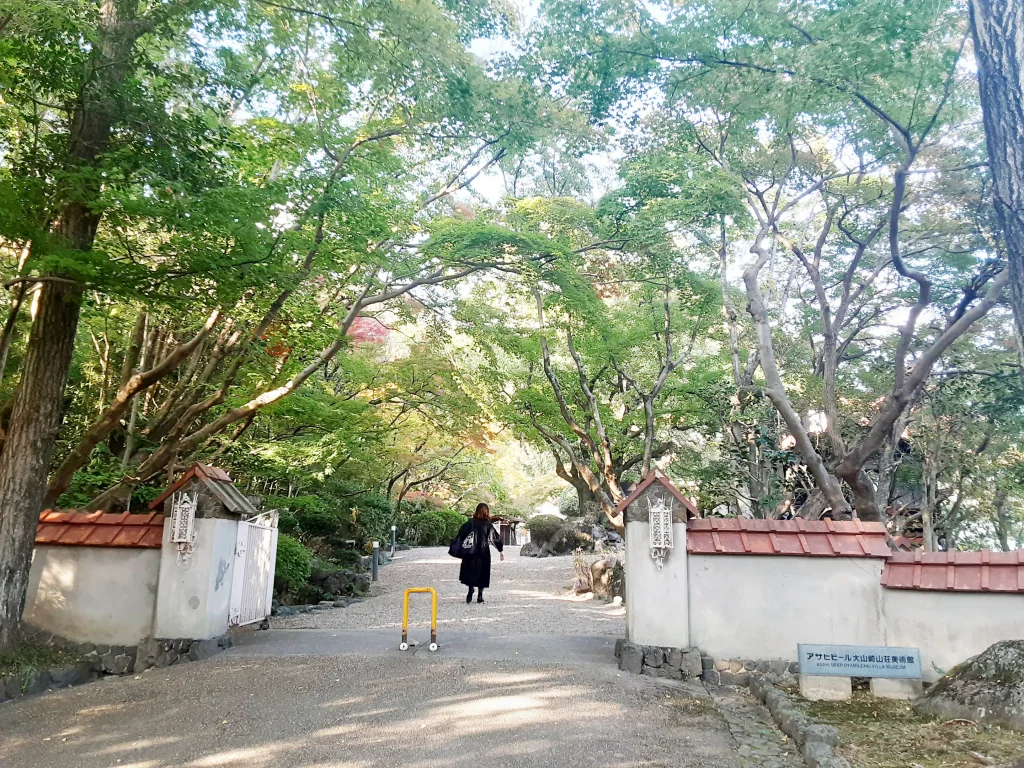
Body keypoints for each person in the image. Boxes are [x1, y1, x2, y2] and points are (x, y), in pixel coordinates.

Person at [457, 502, 504, 604]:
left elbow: (461, 534)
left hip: (470, 550)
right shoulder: (488, 524)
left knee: (470, 570)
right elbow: (494, 537)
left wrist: (458, 546)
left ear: (476, 510)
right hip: (483, 550)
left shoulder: (470, 522)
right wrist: (500, 549)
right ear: (487, 512)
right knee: (483, 572)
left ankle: (470, 589)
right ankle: (480, 595)